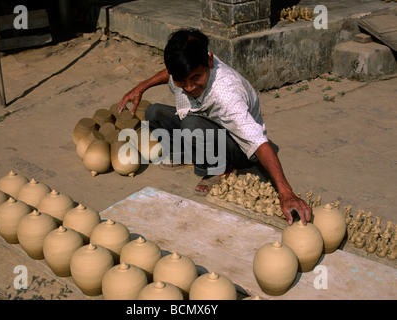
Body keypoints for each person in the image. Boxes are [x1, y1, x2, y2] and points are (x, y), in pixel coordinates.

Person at [118, 28, 312, 225]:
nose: (189, 87)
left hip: (237, 145)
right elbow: (170, 72)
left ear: (209, 62)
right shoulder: (184, 71)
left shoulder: (227, 93)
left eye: (196, 77)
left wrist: (286, 193)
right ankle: (191, 153)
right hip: (205, 125)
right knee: (154, 113)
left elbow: (258, 142)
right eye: (181, 81)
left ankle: (218, 169)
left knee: (191, 124)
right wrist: (142, 86)